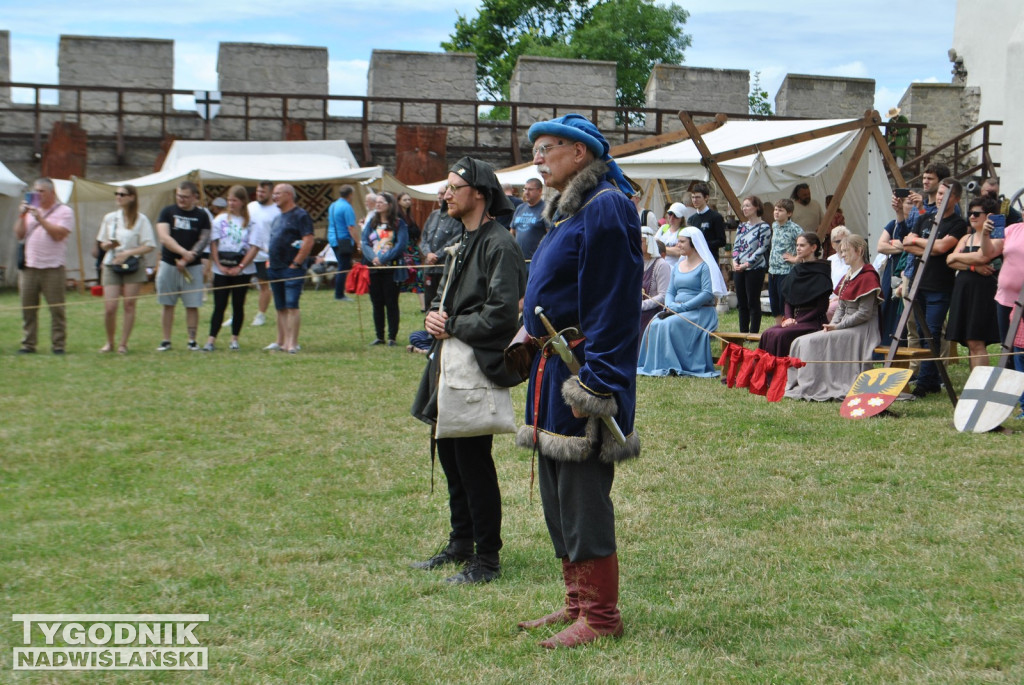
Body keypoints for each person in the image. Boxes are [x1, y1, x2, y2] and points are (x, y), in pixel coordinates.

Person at [516, 113, 642, 649]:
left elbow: (615, 302)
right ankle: (575, 604)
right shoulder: (568, 213)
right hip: (551, 367)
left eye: (548, 148)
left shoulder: (606, 206)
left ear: (581, 153)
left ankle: (601, 617)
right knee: (556, 492)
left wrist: (599, 381)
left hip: (583, 371)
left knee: (583, 494)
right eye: (537, 149)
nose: (539, 157)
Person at [410, 157, 527, 585]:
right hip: (449, 360)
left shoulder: (499, 244)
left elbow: (501, 315)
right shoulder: (464, 239)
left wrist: (452, 324)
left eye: (453, 187)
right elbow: (448, 303)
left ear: (478, 192)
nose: (445, 194)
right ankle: (461, 543)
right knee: (450, 456)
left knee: (473, 461)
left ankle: (487, 559)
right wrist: (432, 320)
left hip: (474, 364)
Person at [785, 234, 882, 401]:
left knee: (810, 342)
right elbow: (842, 307)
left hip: (861, 329)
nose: (842, 254)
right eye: (841, 251)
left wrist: (838, 327)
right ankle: (805, 383)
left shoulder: (868, 275)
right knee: (800, 341)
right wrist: (833, 324)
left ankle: (816, 383)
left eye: (845, 251)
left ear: (859, 251)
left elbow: (864, 313)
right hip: (845, 325)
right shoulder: (849, 276)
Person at [898, 178, 967, 396]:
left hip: (940, 286)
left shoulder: (957, 223)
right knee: (920, 331)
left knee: (933, 331)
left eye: (945, 194)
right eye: (938, 193)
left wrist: (923, 244)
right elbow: (908, 245)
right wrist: (928, 246)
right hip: (920, 284)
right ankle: (931, 378)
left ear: (955, 198)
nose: (939, 197)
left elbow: (942, 248)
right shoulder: (925, 218)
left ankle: (926, 382)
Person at [637, 226, 727, 377]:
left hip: (701, 312)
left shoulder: (704, 266)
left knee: (668, 324)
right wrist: (671, 305)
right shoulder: (678, 265)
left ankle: (672, 364)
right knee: (655, 323)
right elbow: (671, 291)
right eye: (678, 241)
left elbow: (706, 294)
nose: (678, 245)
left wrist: (683, 307)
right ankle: (656, 364)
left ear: (693, 243)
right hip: (677, 310)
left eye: (682, 242)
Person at [15, 177, 74, 354]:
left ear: (52, 193)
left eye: (42, 191)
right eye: (36, 191)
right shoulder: (30, 211)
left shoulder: (64, 211)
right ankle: (28, 343)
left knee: (57, 309)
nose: (38, 195)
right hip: (30, 267)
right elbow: (19, 235)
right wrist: (21, 215)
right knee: (28, 309)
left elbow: (59, 235)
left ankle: (58, 345)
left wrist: (41, 219)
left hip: (53, 268)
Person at [96, 184, 156, 354]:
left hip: (133, 264)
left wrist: (129, 252)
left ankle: (123, 343)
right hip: (111, 263)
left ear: (132, 197)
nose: (118, 197)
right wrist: (107, 245)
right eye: (117, 194)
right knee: (110, 307)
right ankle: (109, 342)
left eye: (122, 194)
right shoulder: (110, 218)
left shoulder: (141, 219)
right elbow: (102, 243)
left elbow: (149, 245)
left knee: (129, 304)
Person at [200, 185, 260, 352]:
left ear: (242, 202)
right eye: (229, 200)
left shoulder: (250, 222)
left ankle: (234, 338)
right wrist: (218, 264)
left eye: (234, 200)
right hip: (222, 268)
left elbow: (254, 247)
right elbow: (214, 243)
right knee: (219, 304)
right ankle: (211, 339)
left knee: (238, 304)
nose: (231, 203)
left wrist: (240, 266)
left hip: (242, 269)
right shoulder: (220, 220)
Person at [945, 196, 1002, 369]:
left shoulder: (997, 237)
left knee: (977, 340)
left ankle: (980, 386)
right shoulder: (966, 238)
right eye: (970, 213)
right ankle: (974, 385)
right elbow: (949, 259)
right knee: (970, 341)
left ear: (989, 216)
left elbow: (983, 256)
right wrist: (973, 267)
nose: (972, 217)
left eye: (976, 213)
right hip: (964, 291)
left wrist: (959, 258)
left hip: (983, 293)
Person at [154, 181, 210, 352]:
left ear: (194, 197)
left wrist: (187, 258)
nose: (182, 200)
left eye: (186, 197)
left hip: (192, 266)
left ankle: (192, 341)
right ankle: (166, 340)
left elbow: (203, 239)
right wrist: (182, 252)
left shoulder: (202, 215)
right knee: (167, 303)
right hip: (169, 264)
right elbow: (164, 237)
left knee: (192, 304)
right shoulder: (167, 212)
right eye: (179, 196)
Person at [759, 232, 833, 357]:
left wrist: (797, 321)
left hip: (812, 321)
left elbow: (821, 308)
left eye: (802, 245)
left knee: (780, 335)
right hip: (794, 320)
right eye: (797, 245)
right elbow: (789, 299)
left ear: (813, 248)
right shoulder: (796, 270)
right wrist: (788, 318)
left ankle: (780, 373)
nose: (798, 248)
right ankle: (765, 373)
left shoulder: (821, 273)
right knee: (768, 333)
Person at [264, 183, 314, 354]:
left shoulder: (300, 215)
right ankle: (281, 340)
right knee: (280, 306)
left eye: (278, 193)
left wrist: (297, 263)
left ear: (289, 195)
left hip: (291, 268)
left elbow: (308, 240)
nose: (274, 197)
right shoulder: (277, 217)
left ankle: (292, 343)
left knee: (292, 305)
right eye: (274, 194)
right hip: (275, 267)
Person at [361, 192, 409, 346]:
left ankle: (392, 337)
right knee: (377, 302)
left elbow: (401, 244)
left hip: (391, 269)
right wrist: (373, 258)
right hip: (374, 269)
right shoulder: (372, 223)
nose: (378, 204)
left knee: (391, 302)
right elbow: (364, 242)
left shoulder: (398, 223)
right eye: (377, 202)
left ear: (389, 204)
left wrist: (383, 258)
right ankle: (379, 336)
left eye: (381, 202)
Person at [877, 194, 916, 346]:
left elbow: (910, 245)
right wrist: (903, 246)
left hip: (908, 270)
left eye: (913, 203)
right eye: (908, 203)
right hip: (892, 270)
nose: (910, 206)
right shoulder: (893, 224)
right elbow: (881, 246)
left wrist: (899, 245)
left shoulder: (918, 225)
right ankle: (885, 345)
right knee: (888, 306)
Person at [420, 185, 463, 312]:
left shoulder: (456, 218)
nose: (440, 196)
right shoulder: (433, 215)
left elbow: (455, 239)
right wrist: (428, 254)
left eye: (442, 193)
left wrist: (437, 255)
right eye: (438, 193)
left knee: (443, 303)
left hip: (444, 267)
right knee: (429, 301)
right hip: (429, 268)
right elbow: (424, 238)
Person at [731, 195, 771, 334]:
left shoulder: (764, 226)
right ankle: (743, 331)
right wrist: (734, 260)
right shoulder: (742, 226)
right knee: (741, 302)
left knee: (752, 301)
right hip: (739, 267)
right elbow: (736, 246)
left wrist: (747, 264)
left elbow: (762, 248)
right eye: (743, 206)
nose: (744, 208)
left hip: (755, 268)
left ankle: (753, 332)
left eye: (748, 205)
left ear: (757, 207)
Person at [766, 198, 804, 326]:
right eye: (775, 210)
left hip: (785, 271)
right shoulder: (774, 225)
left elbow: (807, 245)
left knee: (784, 303)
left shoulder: (794, 228)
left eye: (780, 210)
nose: (776, 212)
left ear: (789, 213)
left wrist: (796, 258)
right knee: (774, 303)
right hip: (772, 271)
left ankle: (786, 326)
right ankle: (778, 327)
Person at [247, 181, 279, 327]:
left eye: (263, 192)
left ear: (271, 193)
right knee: (240, 285)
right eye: (258, 191)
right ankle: (236, 314)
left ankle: (261, 315)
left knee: (264, 286)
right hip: (248, 253)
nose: (259, 194)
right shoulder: (251, 207)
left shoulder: (277, 210)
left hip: (265, 255)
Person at [327, 184, 358, 303]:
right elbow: (351, 227)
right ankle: (339, 294)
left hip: (333, 238)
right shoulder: (347, 207)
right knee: (343, 267)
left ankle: (339, 292)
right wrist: (358, 242)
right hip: (343, 240)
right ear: (350, 195)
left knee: (342, 265)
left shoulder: (333, 205)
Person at [509, 177, 547, 272]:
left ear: (539, 191)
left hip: (535, 263)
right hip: (517, 262)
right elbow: (512, 233)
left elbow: (551, 235)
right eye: (525, 189)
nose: (526, 192)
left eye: (530, 189)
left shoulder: (546, 209)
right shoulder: (520, 208)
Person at [639, 225, 671, 334]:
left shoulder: (661, 265)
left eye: (641, 241)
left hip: (653, 312)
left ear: (649, 242)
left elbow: (662, 296)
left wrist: (641, 306)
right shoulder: (636, 263)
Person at [687, 182, 726, 265]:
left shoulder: (716, 217)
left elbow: (722, 241)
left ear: (706, 198)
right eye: (693, 197)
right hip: (694, 259)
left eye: (698, 197)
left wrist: (703, 244)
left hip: (710, 259)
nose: (694, 200)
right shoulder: (691, 219)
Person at [826, 225, 851, 320]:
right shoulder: (830, 260)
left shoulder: (853, 260)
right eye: (838, 241)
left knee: (828, 311)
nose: (842, 244)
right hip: (830, 299)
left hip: (845, 299)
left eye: (845, 240)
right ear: (833, 244)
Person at [655, 202, 687, 269]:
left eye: (675, 216)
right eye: (670, 214)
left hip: (674, 268)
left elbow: (678, 252)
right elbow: (654, 245)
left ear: (682, 218)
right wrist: (671, 249)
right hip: (659, 267)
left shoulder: (684, 232)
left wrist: (661, 248)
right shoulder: (663, 228)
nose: (672, 218)